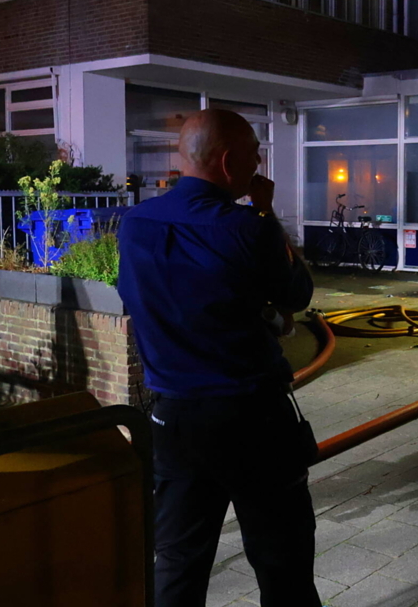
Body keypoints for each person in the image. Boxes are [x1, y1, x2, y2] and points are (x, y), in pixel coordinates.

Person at [117, 109, 320, 607]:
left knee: (179, 565)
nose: (258, 170)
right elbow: (297, 293)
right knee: (282, 562)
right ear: (228, 162)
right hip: (254, 420)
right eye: (254, 158)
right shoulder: (249, 229)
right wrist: (266, 213)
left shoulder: (135, 225)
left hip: (173, 419)